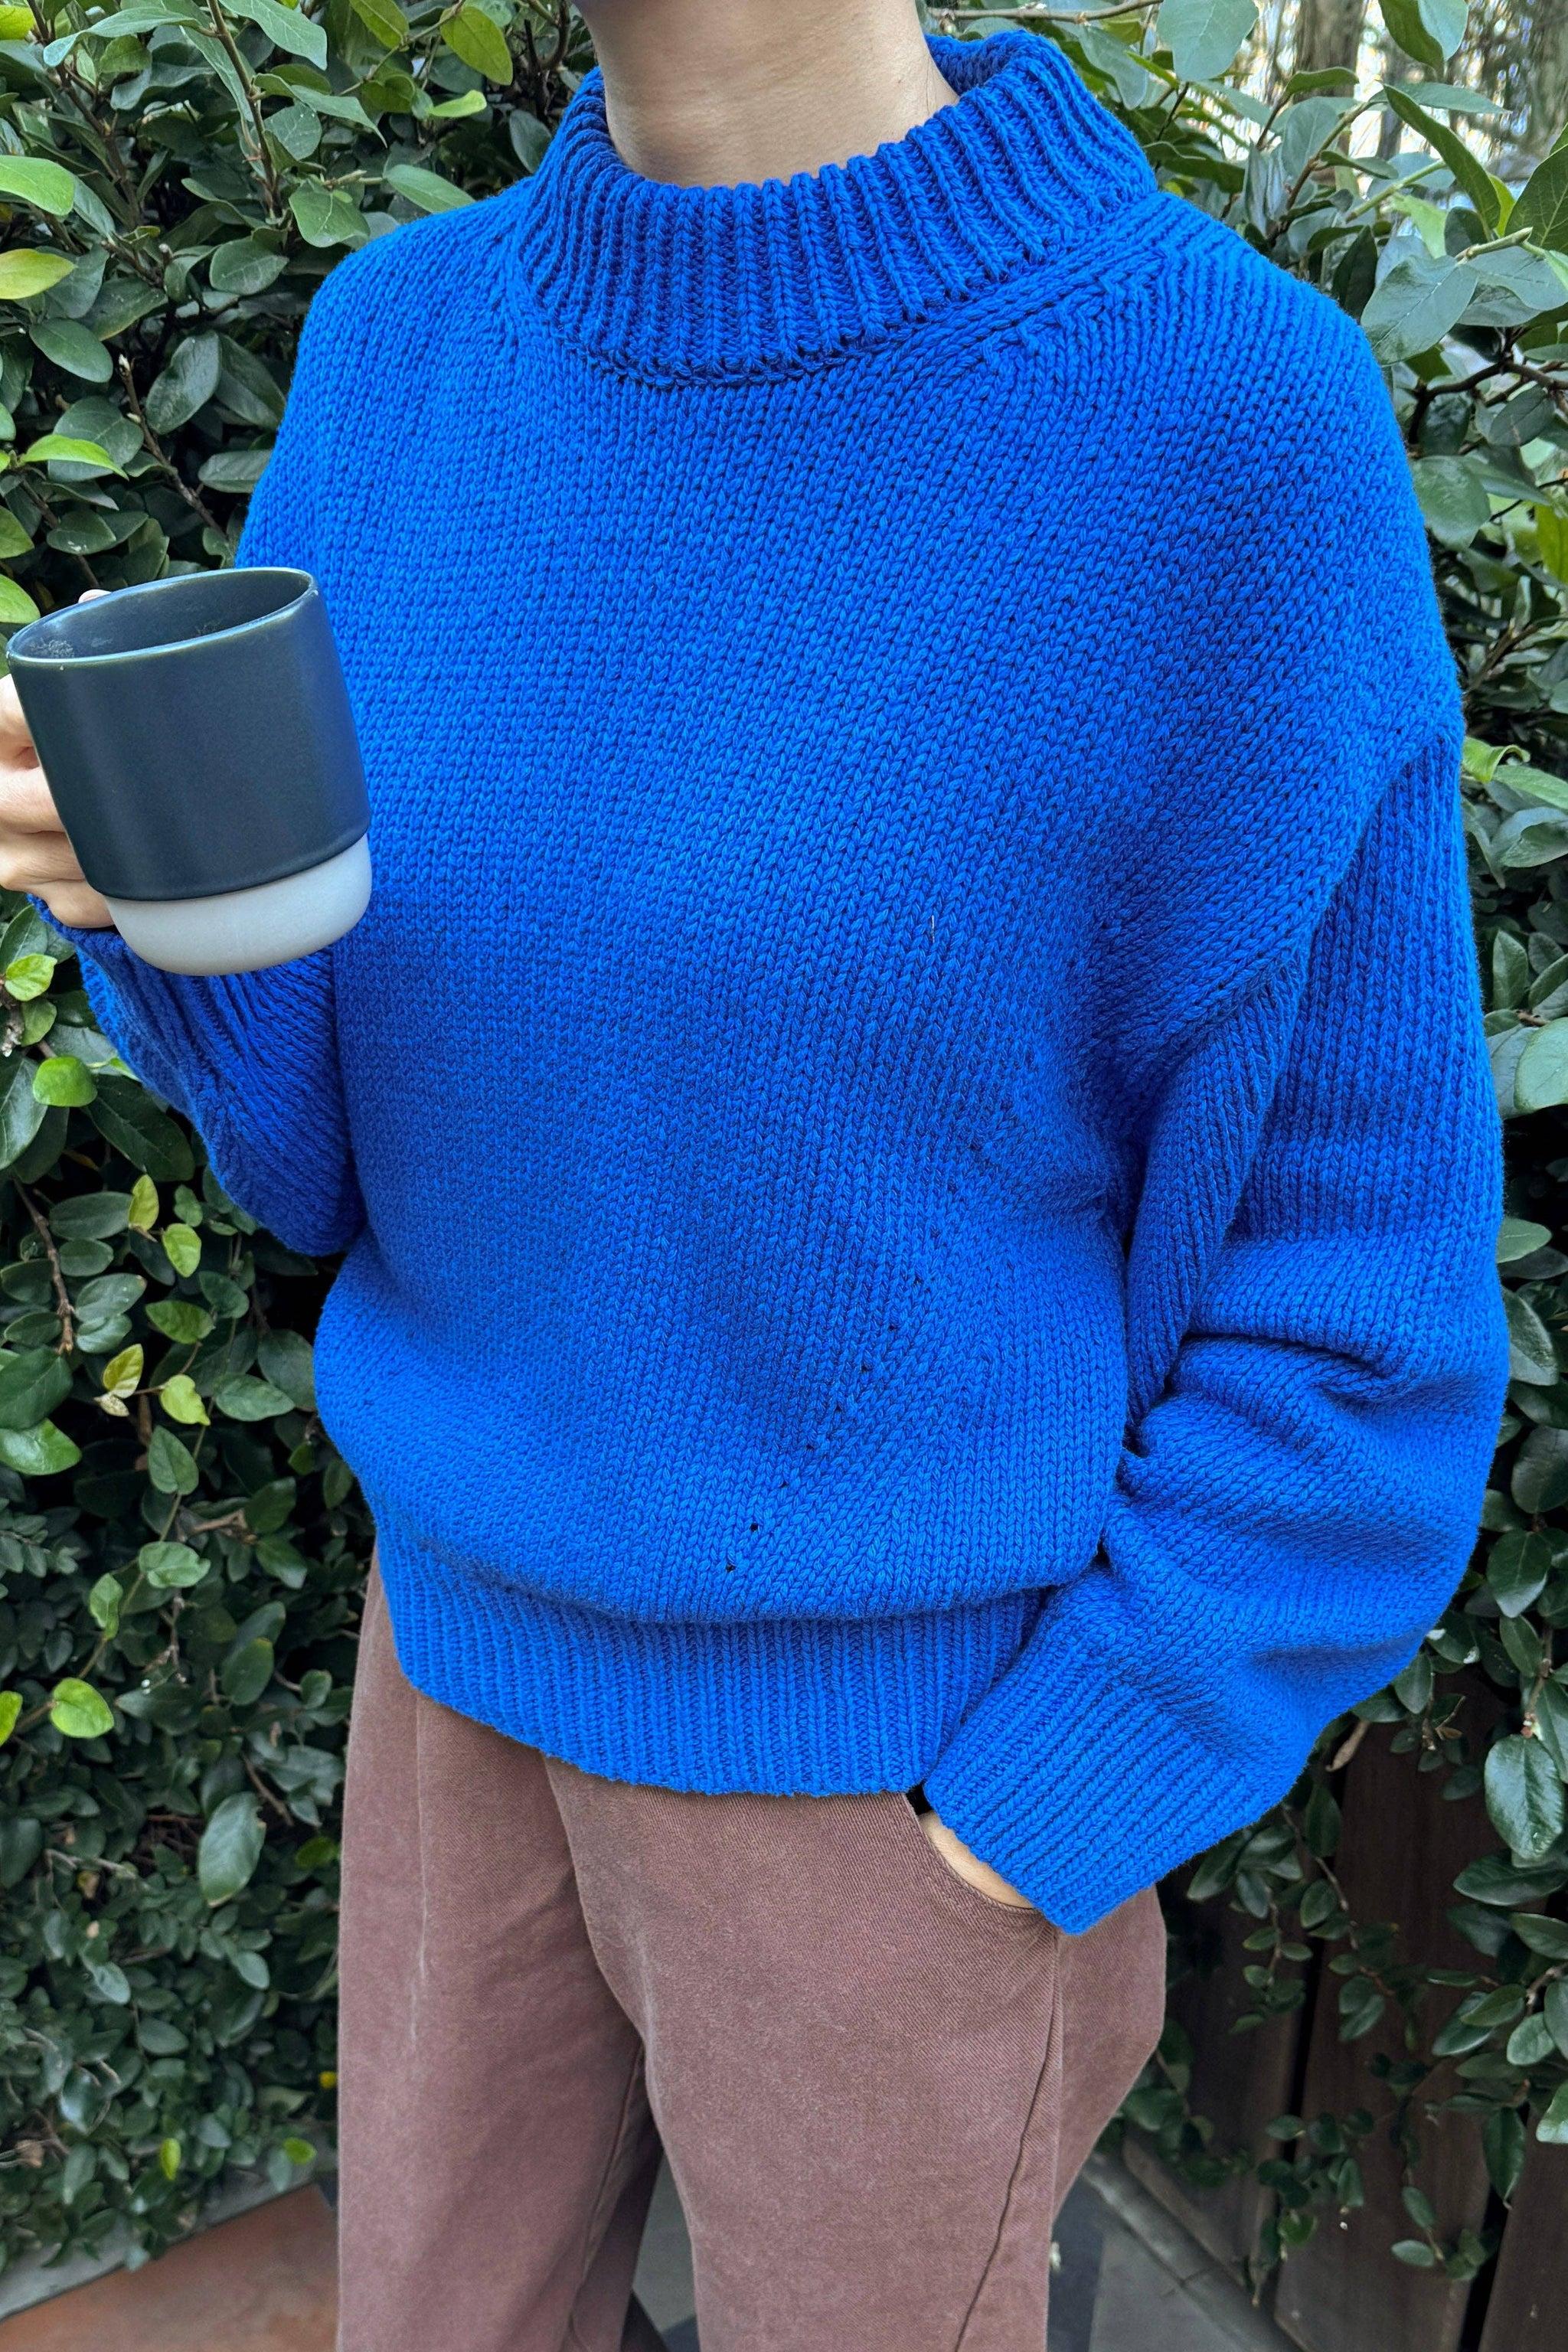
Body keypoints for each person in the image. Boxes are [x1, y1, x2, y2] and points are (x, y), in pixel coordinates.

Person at [0, 4, 1508, 2347]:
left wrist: (1026, 1822)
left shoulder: (1219, 420)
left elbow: (1365, 1300)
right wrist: (155, 912)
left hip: (890, 1788)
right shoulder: (400, 356)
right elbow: (320, 1168)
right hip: (454, 1689)